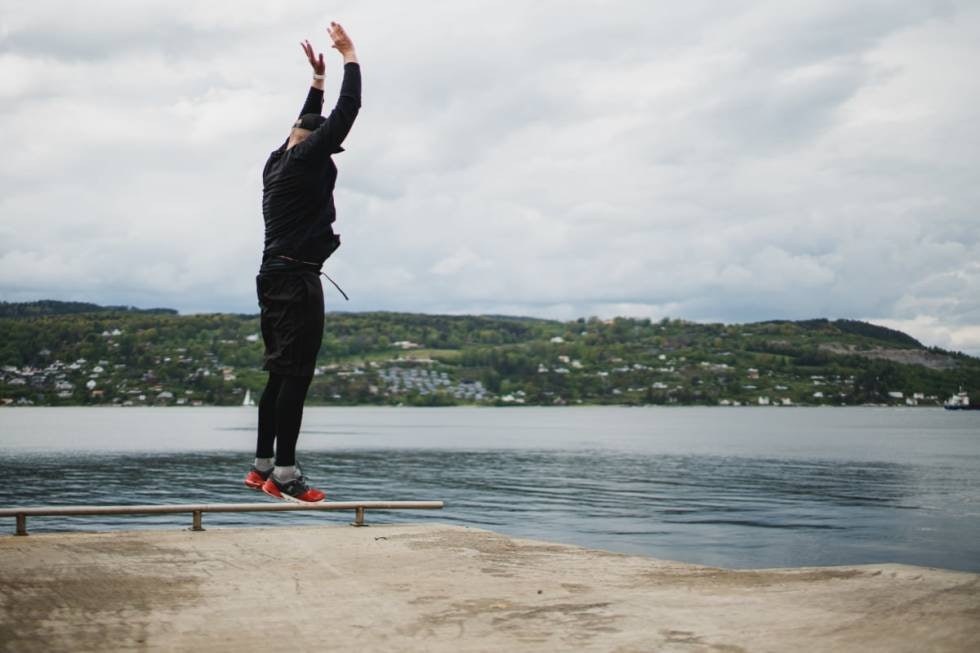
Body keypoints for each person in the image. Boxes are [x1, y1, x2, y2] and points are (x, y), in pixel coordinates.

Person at [244, 22, 361, 503]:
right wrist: (349, 56)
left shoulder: (277, 159)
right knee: (297, 376)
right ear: (316, 147)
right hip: (295, 279)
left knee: (278, 374)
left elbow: (307, 122)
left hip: (273, 277)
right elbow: (346, 112)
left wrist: (316, 82)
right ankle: (286, 473)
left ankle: (262, 464)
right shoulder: (306, 159)